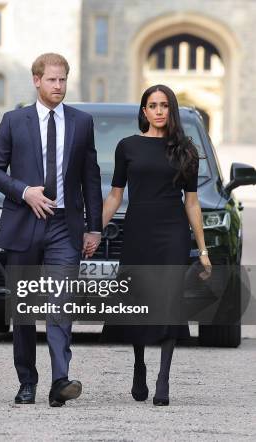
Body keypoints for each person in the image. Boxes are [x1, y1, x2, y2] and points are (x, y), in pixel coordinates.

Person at [0, 53, 103, 407]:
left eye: (63, 80)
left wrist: (93, 228)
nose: (59, 87)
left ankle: (60, 380)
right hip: (25, 223)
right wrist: (24, 191)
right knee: (22, 308)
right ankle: (27, 381)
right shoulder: (13, 121)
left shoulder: (82, 122)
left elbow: (90, 177)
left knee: (61, 304)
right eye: (52, 80)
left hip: (65, 226)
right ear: (37, 80)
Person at [100, 84, 211, 406]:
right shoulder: (128, 146)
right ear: (144, 111)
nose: (159, 110)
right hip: (138, 229)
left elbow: (192, 203)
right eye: (153, 105)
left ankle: (164, 376)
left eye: (164, 105)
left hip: (172, 232)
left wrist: (202, 251)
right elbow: (115, 195)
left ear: (171, 110)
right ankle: (139, 364)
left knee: (168, 300)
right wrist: (93, 231)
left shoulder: (186, 150)